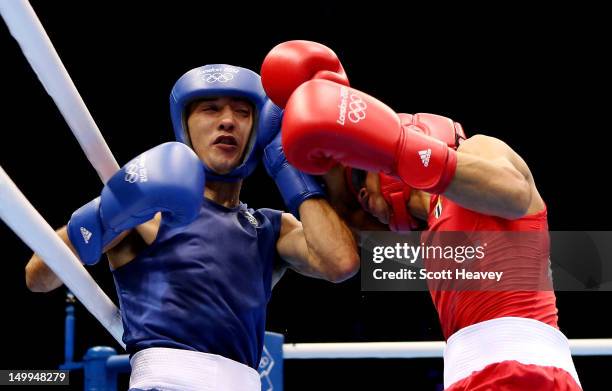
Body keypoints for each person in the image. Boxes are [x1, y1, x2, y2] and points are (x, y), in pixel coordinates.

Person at [260, 41, 582, 390]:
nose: (365, 196)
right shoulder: (432, 239)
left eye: (362, 177)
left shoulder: (480, 149)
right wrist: (290, 168)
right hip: (472, 375)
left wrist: (396, 149)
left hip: (524, 370)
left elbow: (515, 193)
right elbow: (344, 249)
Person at [25, 64, 359, 391]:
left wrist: (291, 172)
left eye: (243, 112)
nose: (227, 121)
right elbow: (37, 277)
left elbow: (340, 263)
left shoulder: (270, 229)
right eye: (210, 109)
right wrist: (106, 215)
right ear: (184, 124)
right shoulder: (148, 213)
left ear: (258, 131)